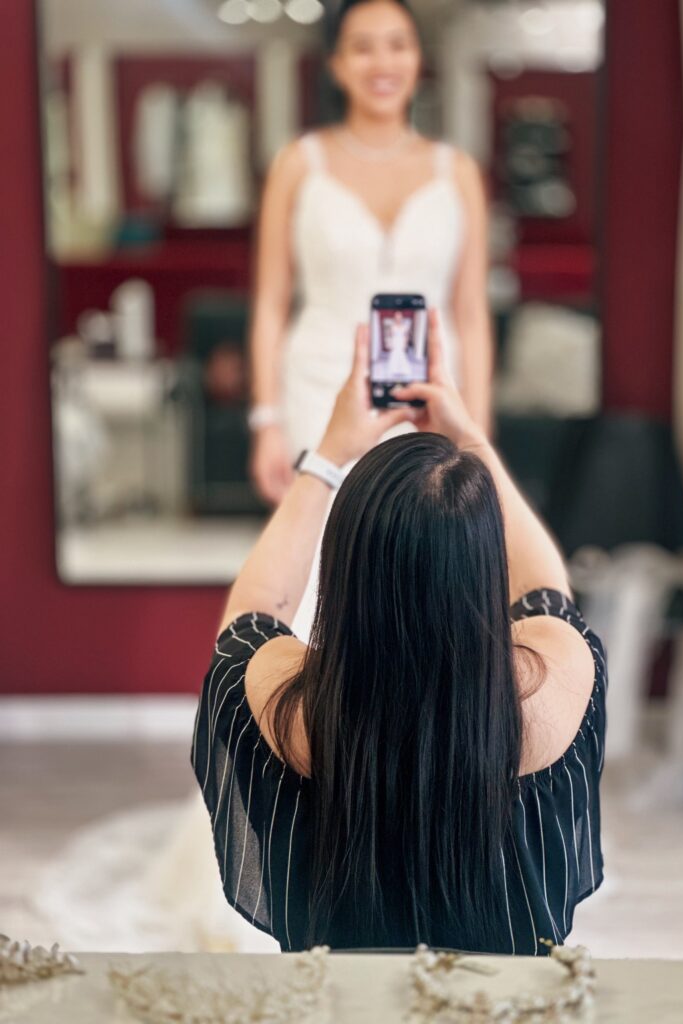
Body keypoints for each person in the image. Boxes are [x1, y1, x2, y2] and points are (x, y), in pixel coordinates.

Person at [194, 312, 605, 953]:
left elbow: (253, 613)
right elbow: (546, 589)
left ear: (343, 563)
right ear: (484, 565)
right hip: (509, 1003)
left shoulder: (281, 708)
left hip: (332, 1002)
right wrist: (470, 438)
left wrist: (329, 455)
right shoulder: (556, 687)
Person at [248, 0, 494, 518]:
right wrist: (267, 420)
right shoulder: (298, 164)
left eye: (397, 44)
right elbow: (271, 302)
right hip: (320, 387)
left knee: (426, 548)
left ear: (418, 57)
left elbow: (471, 312)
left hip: (433, 395)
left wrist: (478, 429)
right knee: (322, 543)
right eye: (362, 47)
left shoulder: (457, 172)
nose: (383, 62)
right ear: (337, 65)